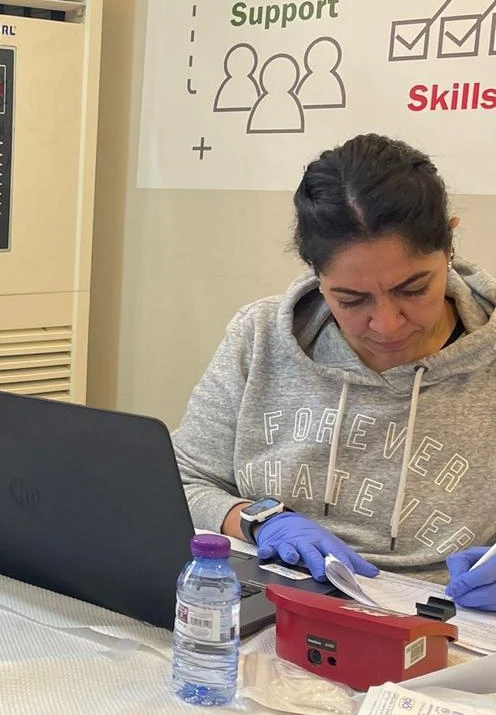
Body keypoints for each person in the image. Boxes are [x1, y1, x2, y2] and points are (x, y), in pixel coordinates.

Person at [173, 134, 496, 608]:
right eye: (351, 299)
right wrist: (260, 520)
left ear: (448, 243)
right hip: (274, 602)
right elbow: (182, 481)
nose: (386, 323)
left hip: (444, 617)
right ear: (316, 273)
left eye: (413, 289)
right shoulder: (260, 337)